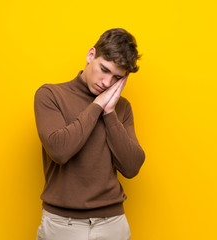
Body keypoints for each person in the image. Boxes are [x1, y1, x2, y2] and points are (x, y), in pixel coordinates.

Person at [34, 28, 145, 240]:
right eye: (104, 69)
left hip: (112, 223)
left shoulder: (121, 108)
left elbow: (132, 167)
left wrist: (109, 112)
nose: (106, 83)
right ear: (90, 55)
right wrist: (97, 106)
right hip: (62, 224)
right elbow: (60, 151)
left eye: (116, 78)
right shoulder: (50, 95)